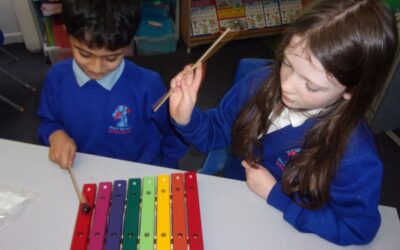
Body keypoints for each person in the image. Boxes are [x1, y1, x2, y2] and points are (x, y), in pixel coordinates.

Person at [168, 0, 398, 245]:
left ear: (351, 90)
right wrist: (187, 119)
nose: (286, 85)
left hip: (284, 229)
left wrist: (275, 196)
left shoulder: (354, 155)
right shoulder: (258, 82)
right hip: (235, 198)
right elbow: (215, 133)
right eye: (288, 63)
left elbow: (357, 229)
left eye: (311, 85)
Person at [37, 0, 187, 169]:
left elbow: (174, 133)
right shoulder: (56, 78)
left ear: (128, 44)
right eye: (85, 54)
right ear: (67, 32)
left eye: (111, 58)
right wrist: (55, 134)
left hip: (139, 175)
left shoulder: (147, 86)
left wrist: (168, 168)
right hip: (83, 170)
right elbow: (48, 121)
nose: (96, 68)